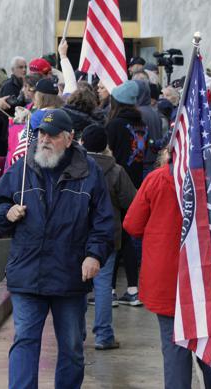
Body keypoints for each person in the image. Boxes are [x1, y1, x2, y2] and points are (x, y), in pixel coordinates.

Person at [0, 109, 113, 389]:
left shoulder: (89, 172)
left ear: (69, 139)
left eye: (53, 135)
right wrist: (6, 212)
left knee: (71, 346)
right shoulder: (22, 168)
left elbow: (104, 221)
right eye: (42, 134)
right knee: (24, 340)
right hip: (27, 272)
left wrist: (94, 255)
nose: (45, 140)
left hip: (69, 274)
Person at [123, 149, 211, 389]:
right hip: (209, 283)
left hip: (167, 285)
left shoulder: (155, 180)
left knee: (175, 355)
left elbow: (132, 224)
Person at [80, 124, 136, 351]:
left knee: (78, 285)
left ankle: (76, 334)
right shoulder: (116, 171)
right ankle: (103, 335)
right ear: (106, 146)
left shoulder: (76, 167)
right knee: (103, 285)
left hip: (77, 234)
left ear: (82, 142)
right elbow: (131, 202)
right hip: (107, 235)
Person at [105, 80, 146, 306]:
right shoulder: (141, 124)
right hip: (135, 185)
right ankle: (132, 288)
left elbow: (108, 153)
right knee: (127, 237)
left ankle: (109, 289)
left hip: (115, 182)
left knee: (114, 237)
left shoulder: (114, 126)